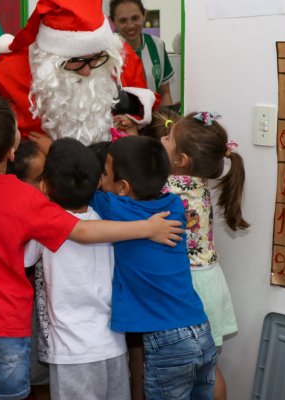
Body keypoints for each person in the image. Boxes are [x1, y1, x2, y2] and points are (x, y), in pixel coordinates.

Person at [0, 96, 182, 400]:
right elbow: (82, 230)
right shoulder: (25, 197)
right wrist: (146, 228)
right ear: (11, 151)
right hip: (8, 325)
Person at [93, 135, 217, 400]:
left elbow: (80, 192)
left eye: (104, 173)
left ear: (123, 187)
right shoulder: (173, 205)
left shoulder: (112, 207)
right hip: (200, 328)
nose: (101, 179)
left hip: (168, 342)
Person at [23, 138, 130, 400]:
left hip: (71, 351)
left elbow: (24, 261)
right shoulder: (106, 221)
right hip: (113, 345)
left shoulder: (45, 226)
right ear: (97, 182)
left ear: (44, 186)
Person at [0, 0, 156, 145]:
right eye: (76, 62)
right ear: (52, 58)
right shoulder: (8, 72)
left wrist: (131, 118)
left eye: (95, 59)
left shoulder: (117, 57)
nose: (87, 71)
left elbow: (144, 102)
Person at [160, 111, 248, 400]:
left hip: (190, 286)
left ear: (181, 160)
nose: (162, 139)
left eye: (168, 138)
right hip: (211, 281)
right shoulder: (199, 184)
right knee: (209, 368)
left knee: (177, 372)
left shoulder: (168, 188)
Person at [109, 0, 175, 106]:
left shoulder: (158, 45)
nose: (130, 25)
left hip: (154, 116)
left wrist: (166, 116)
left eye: (135, 18)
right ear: (113, 22)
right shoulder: (107, 52)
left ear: (144, 15)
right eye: (122, 21)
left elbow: (165, 93)